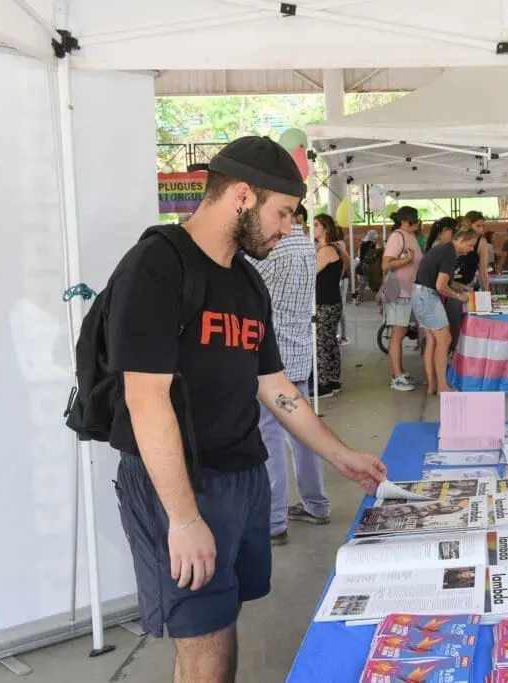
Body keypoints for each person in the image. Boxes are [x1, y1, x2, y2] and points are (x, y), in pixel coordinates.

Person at [106, 136, 386, 683]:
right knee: (203, 644)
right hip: (182, 482)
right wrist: (184, 518)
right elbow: (145, 397)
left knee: (223, 622)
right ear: (240, 196)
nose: (287, 229)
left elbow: (274, 384)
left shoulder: (247, 281)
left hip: (241, 475)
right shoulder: (157, 265)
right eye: (282, 213)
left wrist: (340, 455)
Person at [247, 202, 330, 544]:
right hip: (297, 351)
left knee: (269, 439)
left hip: (271, 361)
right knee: (304, 434)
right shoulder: (308, 247)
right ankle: (316, 504)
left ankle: (274, 521)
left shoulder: (270, 251)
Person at [411, 227, 477, 394]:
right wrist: (458, 296)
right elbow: (441, 286)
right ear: (460, 241)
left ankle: (432, 384)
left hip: (420, 294)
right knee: (445, 340)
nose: (470, 250)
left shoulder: (442, 249)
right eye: (469, 245)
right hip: (427, 297)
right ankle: (442, 386)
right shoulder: (449, 254)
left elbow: (440, 280)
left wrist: (460, 286)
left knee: (432, 342)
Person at [382, 206, 424, 391]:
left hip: (409, 291)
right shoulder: (397, 236)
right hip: (398, 291)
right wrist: (407, 260)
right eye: (414, 219)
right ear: (405, 221)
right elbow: (386, 264)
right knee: (397, 334)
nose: (417, 223)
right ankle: (396, 376)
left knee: (401, 332)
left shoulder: (411, 237)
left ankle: (400, 372)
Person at [312, 213, 348, 397]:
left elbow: (310, 273)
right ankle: (332, 378)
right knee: (329, 340)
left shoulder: (326, 251)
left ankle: (322, 382)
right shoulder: (333, 248)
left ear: (325, 228)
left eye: (316, 224)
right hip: (331, 299)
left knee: (321, 342)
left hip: (324, 302)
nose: (313, 227)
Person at [444, 211, 489, 348]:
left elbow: (483, 268)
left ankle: (462, 349)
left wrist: (486, 290)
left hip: (467, 286)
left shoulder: (481, 241)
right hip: (449, 286)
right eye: (478, 226)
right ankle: (453, 349)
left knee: (467, 320)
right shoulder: (455, 238)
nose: (481, 230)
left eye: (482, 226)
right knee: (453, 321)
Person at [353, 229, 378, 305]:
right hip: (371, 266)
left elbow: (359, 256)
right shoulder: (375, 245)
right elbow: (376, 256)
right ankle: (380, 299)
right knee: (377, 281)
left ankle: (357, 299)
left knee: (362, 283)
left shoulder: (362, 244)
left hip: (362, 265)